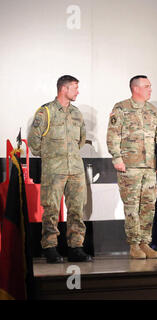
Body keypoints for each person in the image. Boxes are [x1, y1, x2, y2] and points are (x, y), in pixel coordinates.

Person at [28, 75, 92, 263]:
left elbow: (80, 140)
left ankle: (76, 247)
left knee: (77, 209)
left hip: (75, 168)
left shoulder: (76, 113)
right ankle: (50, 247)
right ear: (64, 89)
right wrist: (50, 156)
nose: (78, 91)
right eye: (75, 88)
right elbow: (34, 142)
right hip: (54, 169)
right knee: (51, 209)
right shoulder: (46, 112)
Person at [107, 75, 157, 259]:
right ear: (136, 88)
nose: (150, 89)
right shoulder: (121, 108)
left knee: (149, 206)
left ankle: (145, 243)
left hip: (149, 167)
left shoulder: (152, 110)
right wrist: (117, 158)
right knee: (132, 206)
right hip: (129, 166)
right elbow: (113, 135)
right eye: (147, 86)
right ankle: (134, 245)